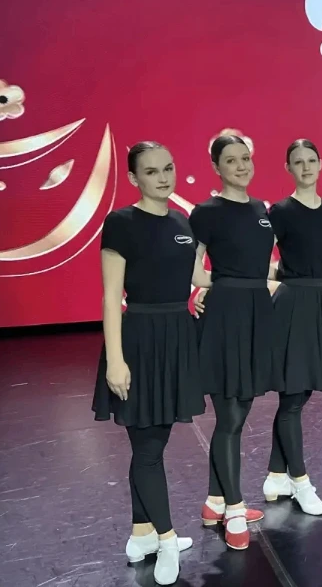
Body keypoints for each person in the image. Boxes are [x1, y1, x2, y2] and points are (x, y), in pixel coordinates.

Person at [93, 142, 206, 584]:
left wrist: (256, 278)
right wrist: (115, 360)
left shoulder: (182, 221)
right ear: (134, 178)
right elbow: (110, 296)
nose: (163, 177)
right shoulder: (121, 222)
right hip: (139, 340)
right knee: (147, 449)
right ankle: (166, 539)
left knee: (150, 447)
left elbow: (194, 277)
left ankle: (141, 534)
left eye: (169, 168)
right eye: (152, 171)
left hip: (177, 338)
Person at [190, 135, 274, 549]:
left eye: (246, 158)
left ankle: (214, 501)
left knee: (239, 415)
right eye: (231, 160)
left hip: (257, 314)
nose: (241, 166)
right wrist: (220, 286)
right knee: (228, 417)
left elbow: (262, 266)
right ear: (216, 167)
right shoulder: (206, 213)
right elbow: (193, 270)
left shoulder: (261, 210)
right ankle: (235, 509)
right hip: (225, 317)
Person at [261, 139, 322, 514]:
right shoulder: (280, 211)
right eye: (298, 161)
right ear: (288, 168)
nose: (306, 167)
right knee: (292, 396)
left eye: (311, 160)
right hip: (292, 305)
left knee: (301, 393)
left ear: (321, 164)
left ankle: (276, 474)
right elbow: (259, 259)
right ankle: (300, 480)